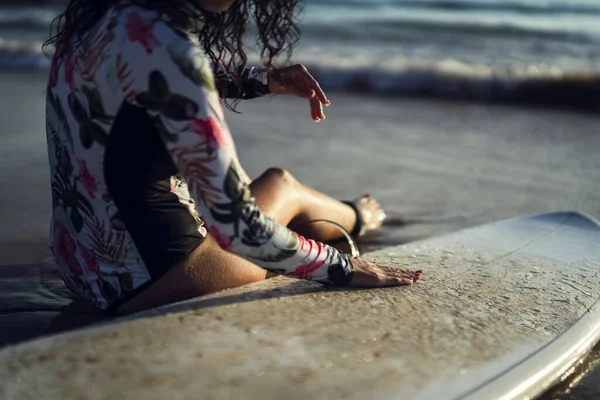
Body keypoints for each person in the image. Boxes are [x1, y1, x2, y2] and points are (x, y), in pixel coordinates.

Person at [43, 0, 422, 314]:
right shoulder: (175, 53)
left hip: (83, 272)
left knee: (242, 188)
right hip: (157, 282)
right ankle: (359, 216)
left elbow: (143, 81)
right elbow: (240, 228)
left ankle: (348, 215)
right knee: (281, 185)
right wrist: (342, 268)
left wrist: (260, 80)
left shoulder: (99, 23)